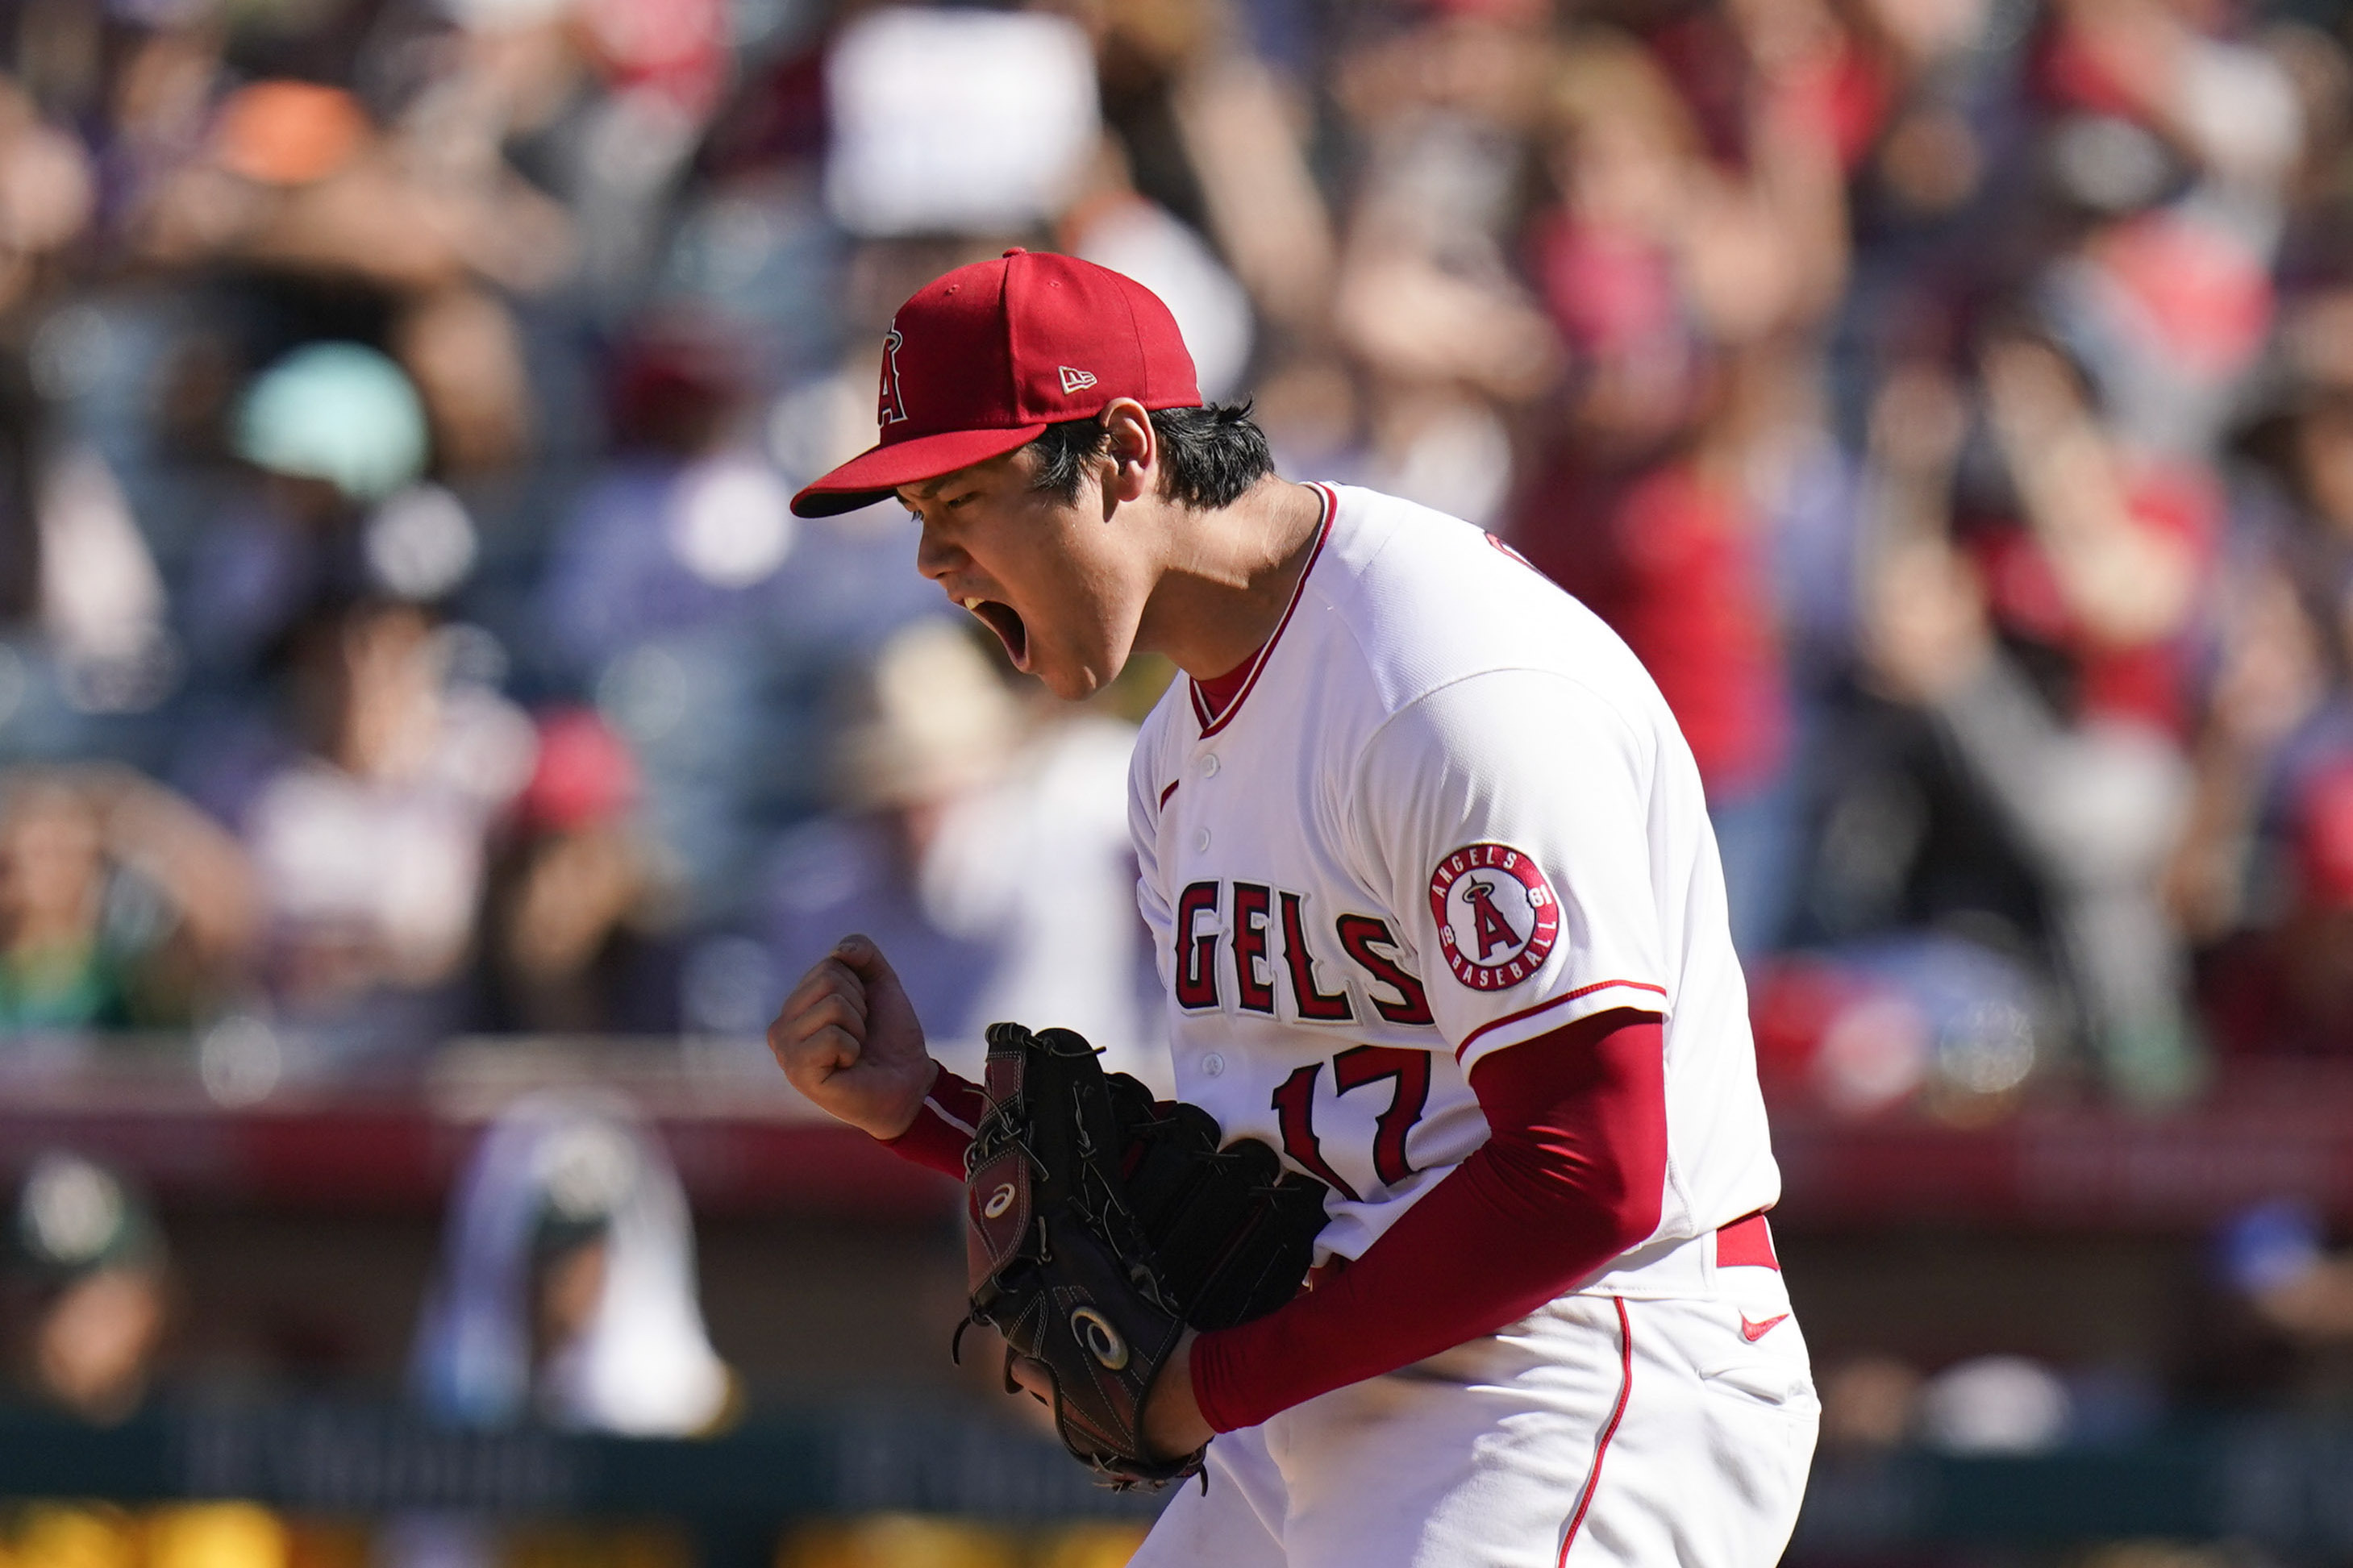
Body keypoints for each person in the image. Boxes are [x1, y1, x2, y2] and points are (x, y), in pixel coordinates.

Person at [766, 249, 1815, 1566]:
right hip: (1334, 1369)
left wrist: (1205, 1388)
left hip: (1573, 1368)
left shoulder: (1444, 683)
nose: (928, 557)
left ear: (1125, 452)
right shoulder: (1169, 759)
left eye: (961, 498)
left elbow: (1588, 1172)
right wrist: (927, 1110)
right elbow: (1244, 1179)